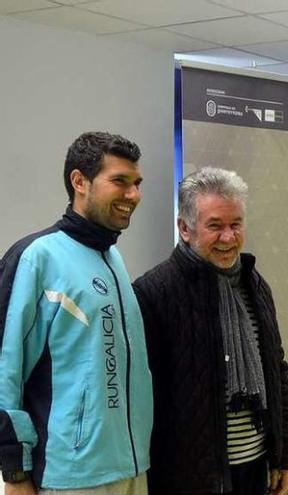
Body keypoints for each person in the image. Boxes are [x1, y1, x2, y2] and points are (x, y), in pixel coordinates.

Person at [0, 131, 152, 494]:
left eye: (136, 183)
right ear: (79, 181)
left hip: (131, 468)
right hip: (71, 476)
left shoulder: (112, 257)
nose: (133, 195)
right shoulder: (37, 257)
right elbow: (6, 369)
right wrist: (14, 471)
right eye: (120, 181)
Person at [133, 168, 288, 495]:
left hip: (255, 471)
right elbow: (142, 400)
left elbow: (277, 373)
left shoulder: (255, 284)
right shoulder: (154, 293)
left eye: (235, 224)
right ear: (184, 228)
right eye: (215, 226)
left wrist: (284, 455)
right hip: (190, 480)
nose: (228, 237)